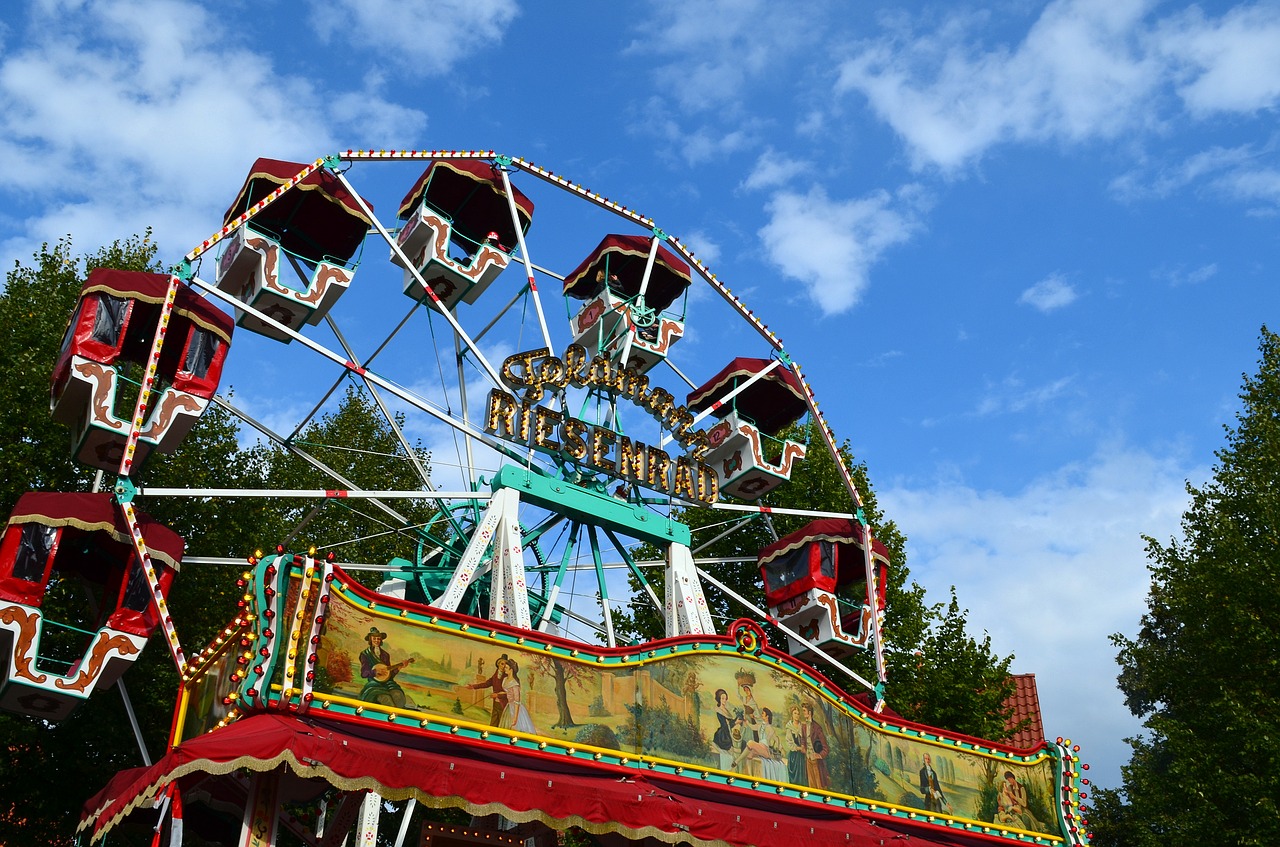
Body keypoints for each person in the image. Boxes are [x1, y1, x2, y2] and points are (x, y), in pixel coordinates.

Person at [358, 627, 412, 707]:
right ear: (370, 639)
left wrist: (398, 668)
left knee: (399, 698)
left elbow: (388, 675)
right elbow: (364, 673)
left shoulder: (385, 655)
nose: (376, 641)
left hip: (388, 684)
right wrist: (375, 672)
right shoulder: (365, 654)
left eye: (378, 639)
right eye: (374, 638)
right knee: (387, 700)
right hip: (374, 684)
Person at [464, 654, 511, 726]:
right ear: (498, 664)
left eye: (505, 664)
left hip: (504, 704)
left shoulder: (508, 677)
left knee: (502, 724)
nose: (503, 666)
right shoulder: (495, 675)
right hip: (495, 703)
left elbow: (510, 693)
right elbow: (486, 684)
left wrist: (498, 695)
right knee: (493, 723)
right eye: (502, 664)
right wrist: (473, 686)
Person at [498, 658, 537, 734]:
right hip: (509, 706)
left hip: (515, 709)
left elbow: (517, 701)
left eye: (506, 667)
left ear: (511, 669)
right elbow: (509, 692)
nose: (504, 669)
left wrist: (515, 718)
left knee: (515, 730)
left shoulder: (515, 684)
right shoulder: (505, 679)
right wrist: (501, 693)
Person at [800, 702, 831, 789]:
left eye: (804, 711)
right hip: (808, 759)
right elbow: (803, 738)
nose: (803, 713)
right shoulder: (804, 726)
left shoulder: (817, 728)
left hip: (816, 762)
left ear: (809, 713)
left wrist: (819, 755)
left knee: (819, 786)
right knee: (811, 785)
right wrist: (803, 745)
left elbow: (826, 748)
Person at [784, 705, 808, 786]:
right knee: (793, 778)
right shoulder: (789, 727)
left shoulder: (802, 726)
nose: (797, 715)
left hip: (802, 756)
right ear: (792, 715)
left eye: (798, 713)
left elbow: (806, 738)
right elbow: (789, 742)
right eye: (795, 713)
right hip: (794, 756)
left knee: (802, 777)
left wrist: (803, 747)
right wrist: (798, 748)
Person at [712, 688, 735, 770]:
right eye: (722, 698)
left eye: (725, 699)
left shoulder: (726, 710)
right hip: (722, 735)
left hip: (728, 732)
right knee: (728, 753)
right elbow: (725, 725)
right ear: (719, 699)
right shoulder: (719, 710)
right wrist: (735, 722)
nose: (724, 700)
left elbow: (730, 723)